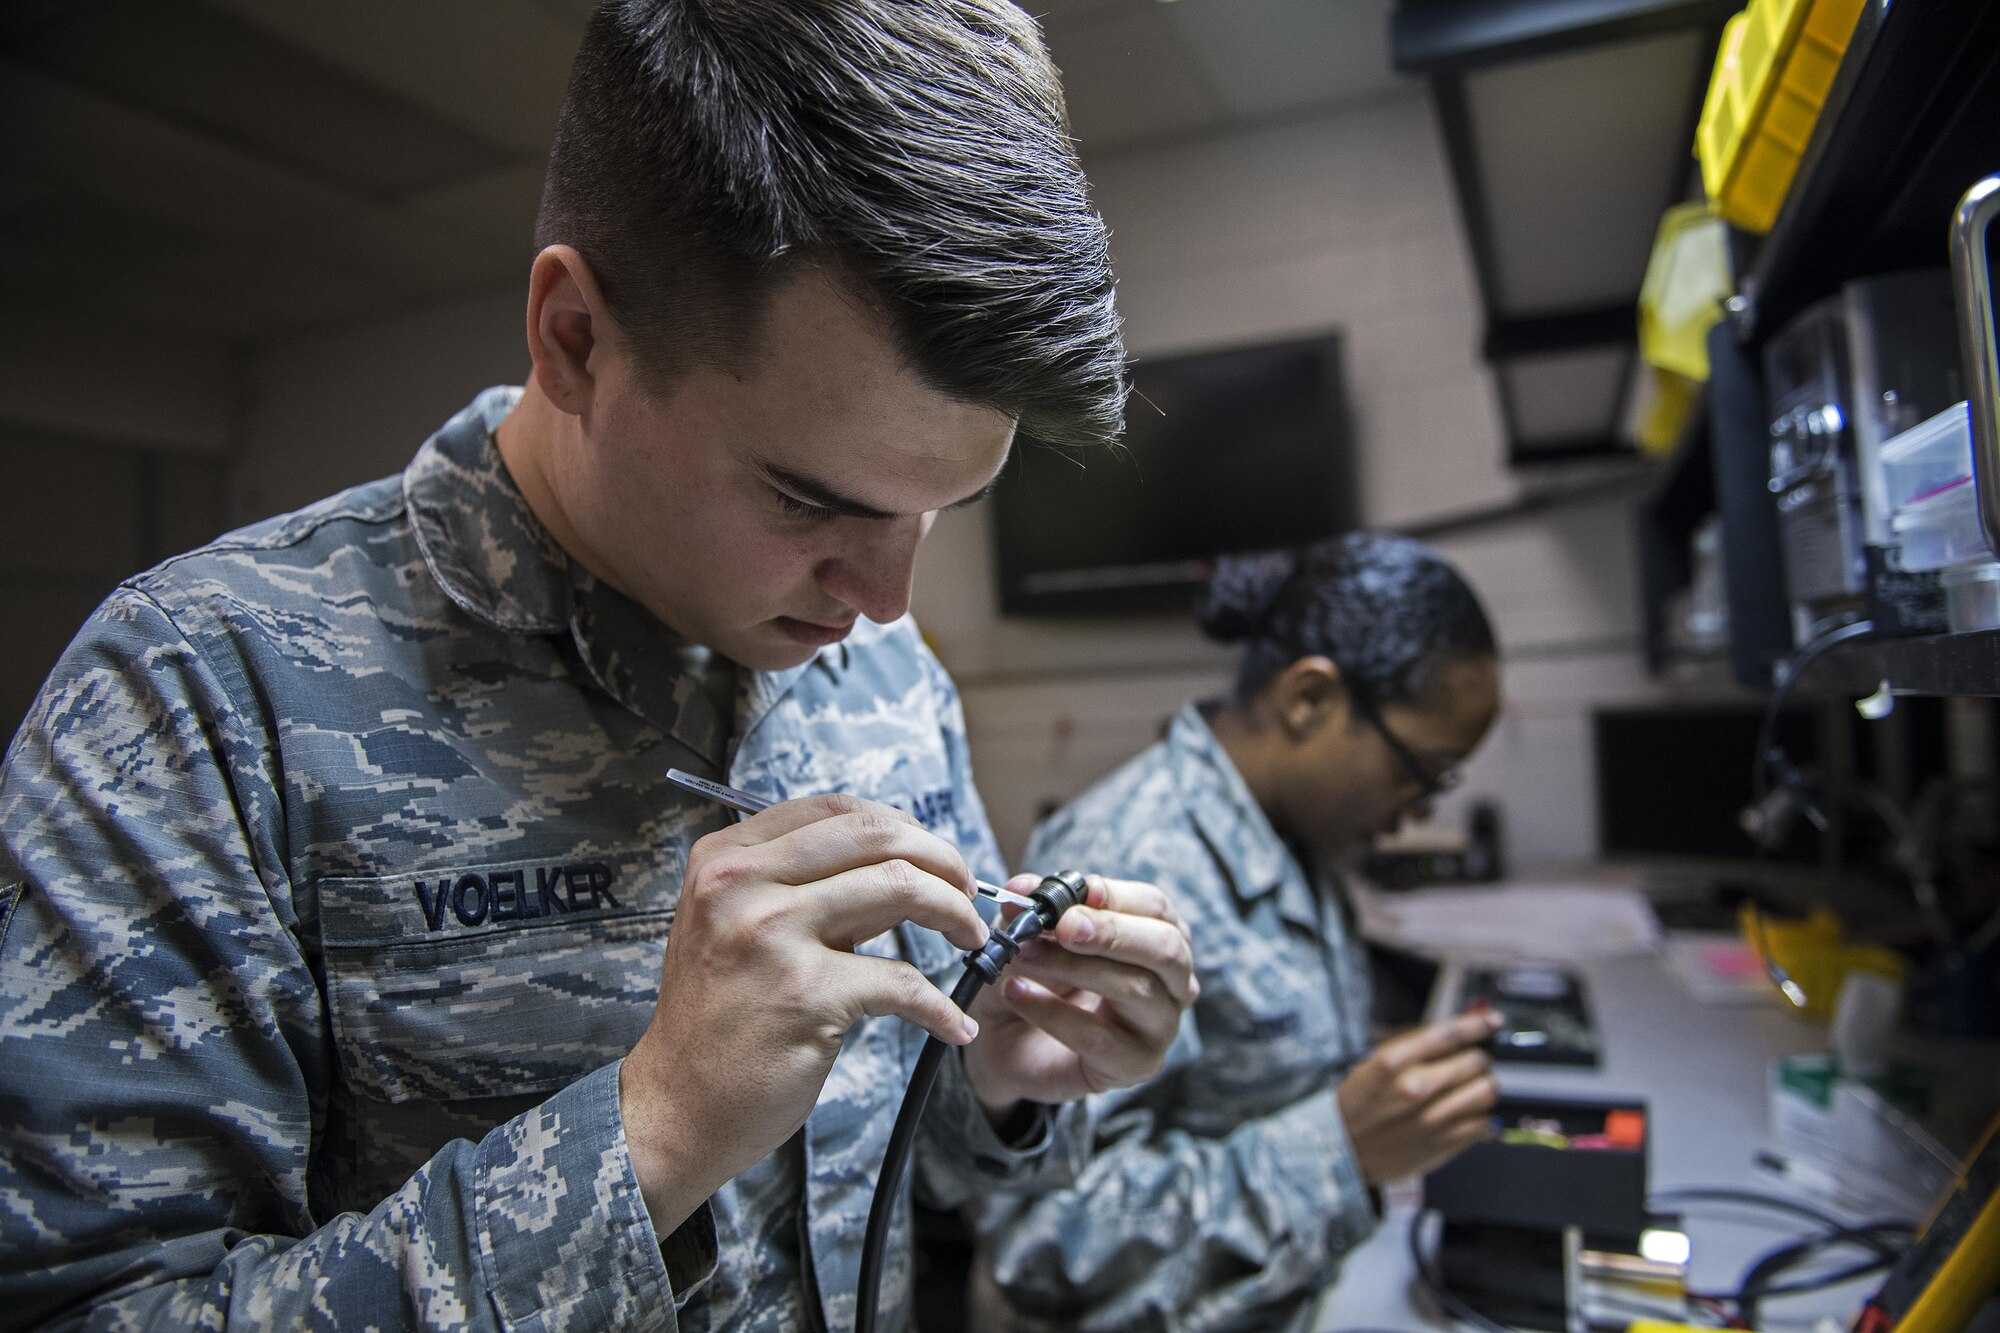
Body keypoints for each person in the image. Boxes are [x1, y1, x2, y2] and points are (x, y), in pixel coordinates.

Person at [0, 4, 1200, 1329]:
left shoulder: (886, 670)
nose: (886, 599)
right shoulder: (206, 697)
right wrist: (656, 1129)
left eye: (939, 512)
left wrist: (1000, 1080)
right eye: (809, 501)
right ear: (575, 338)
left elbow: (902, 1152)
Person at [973, 532, 1506, 1332]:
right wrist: (1340, 1152)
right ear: (1310, 700)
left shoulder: (1301, 831)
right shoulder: (1131, 867)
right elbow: (1047, 1243)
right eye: (1419, 771)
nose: (1422, 809)